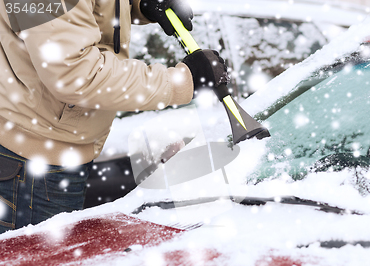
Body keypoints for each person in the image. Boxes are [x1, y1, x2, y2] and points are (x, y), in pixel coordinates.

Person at [0, 0, 228, 233]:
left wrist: (140, 4)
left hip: (57, 148)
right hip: (33, 164)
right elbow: (76, 75)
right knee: (41, 264)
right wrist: (182, 81)